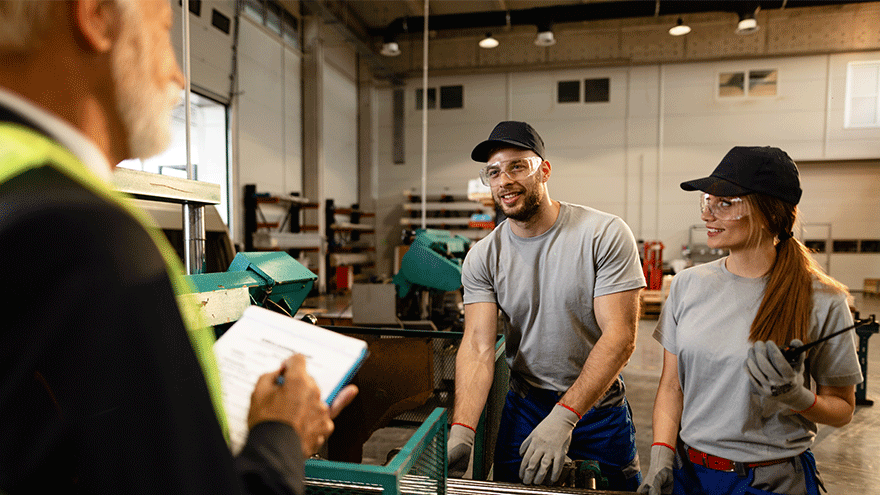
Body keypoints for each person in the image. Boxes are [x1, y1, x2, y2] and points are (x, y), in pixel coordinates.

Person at [0, 1, 355, 494]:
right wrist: (282, 437)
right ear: (97, 17)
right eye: (164, 31)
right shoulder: (87, 242)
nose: (179, 76)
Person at [638, 146, 863, 495]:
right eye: (706, 202)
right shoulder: (687, 285)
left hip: (770, 481)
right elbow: (672, 387)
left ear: (768, 212)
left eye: (725, 203)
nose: (708, 215)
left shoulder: (822, 300)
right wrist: (661, 455)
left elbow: (843, 409)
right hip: (690, 476)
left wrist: (798, 398)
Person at [447, 121, 645, 490]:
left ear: (545, 170)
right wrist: (462, 430)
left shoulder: (603, 234)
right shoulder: (483, 256)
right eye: (494, 172)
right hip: (527, 405)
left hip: (599, 408)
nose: (505, 181)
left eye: (517, 166)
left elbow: (620, 337)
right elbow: (477, 346)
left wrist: (566, 415)